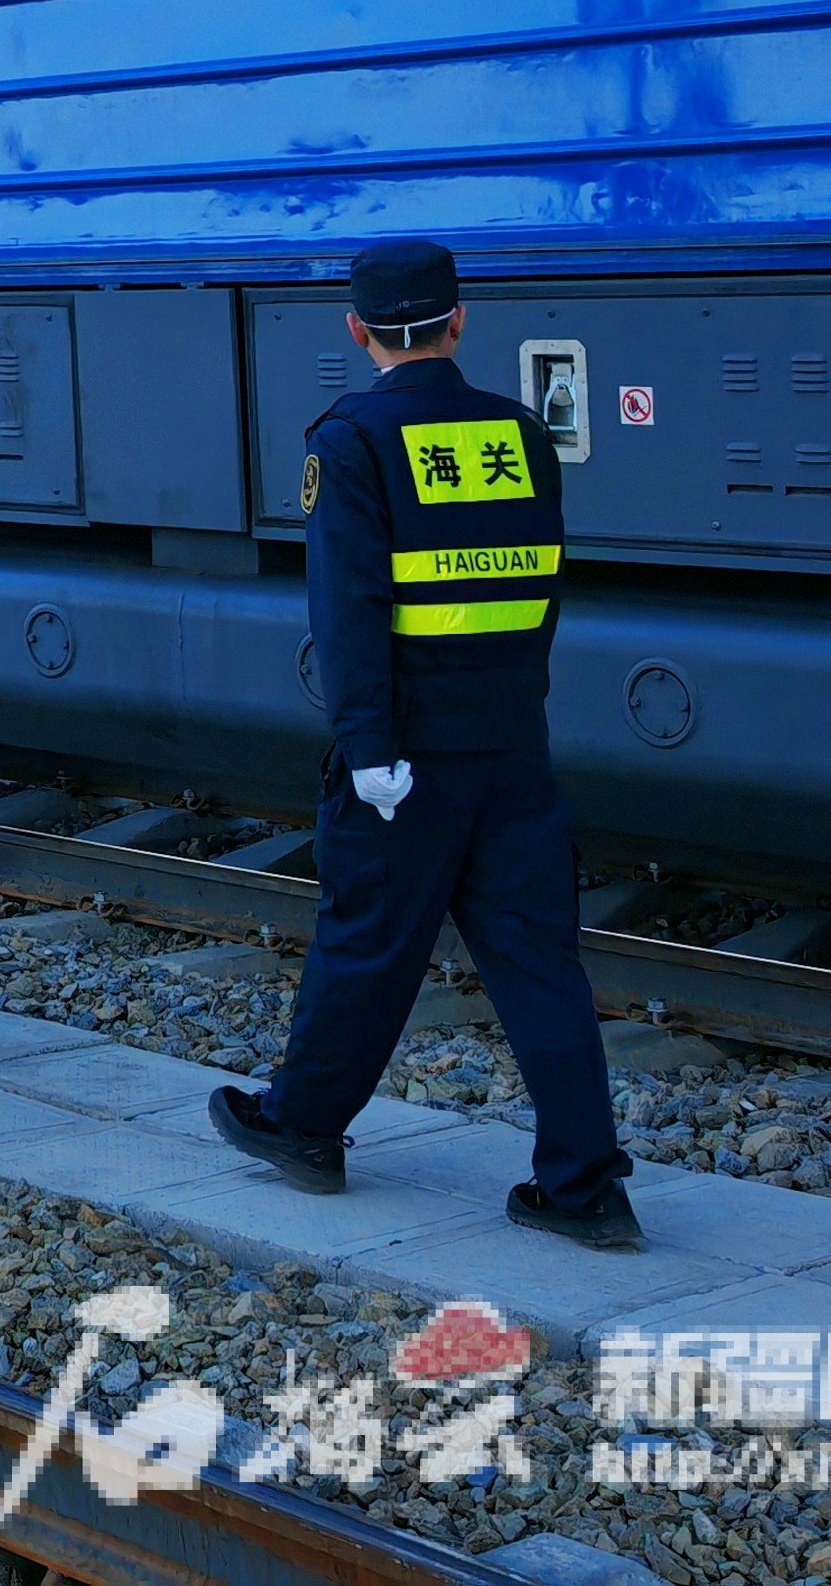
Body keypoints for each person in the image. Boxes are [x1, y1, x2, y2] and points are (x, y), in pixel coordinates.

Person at [210, 239, 639, 1245]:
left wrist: (368, 749)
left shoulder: (350, 440)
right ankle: (585, 1190)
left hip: (406, 755)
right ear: (459, 321)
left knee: (367, 945)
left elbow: (350, 612)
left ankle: (303, 1126)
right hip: (512, 744)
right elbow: (535, 587)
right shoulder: (519, 433)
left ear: (356, 331)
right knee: (540, 965)